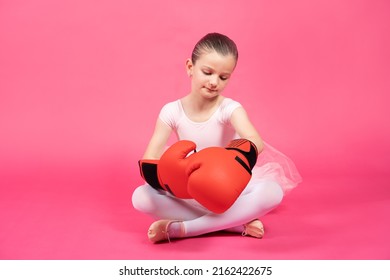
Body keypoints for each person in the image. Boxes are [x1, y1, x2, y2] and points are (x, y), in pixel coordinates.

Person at [132, 32, 302, 243]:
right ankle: (234, 225)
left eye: (223, 77)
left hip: (226, 188)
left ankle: (183, 229)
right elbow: (150, 157)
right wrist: (172, 179)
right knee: (140, 198)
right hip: (187, 190)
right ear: (189, 67)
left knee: (273, 192)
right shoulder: (171, 111)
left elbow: (255, 141)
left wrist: (227, 162)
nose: (214, 82)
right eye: (207, 72)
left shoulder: (229, 108)